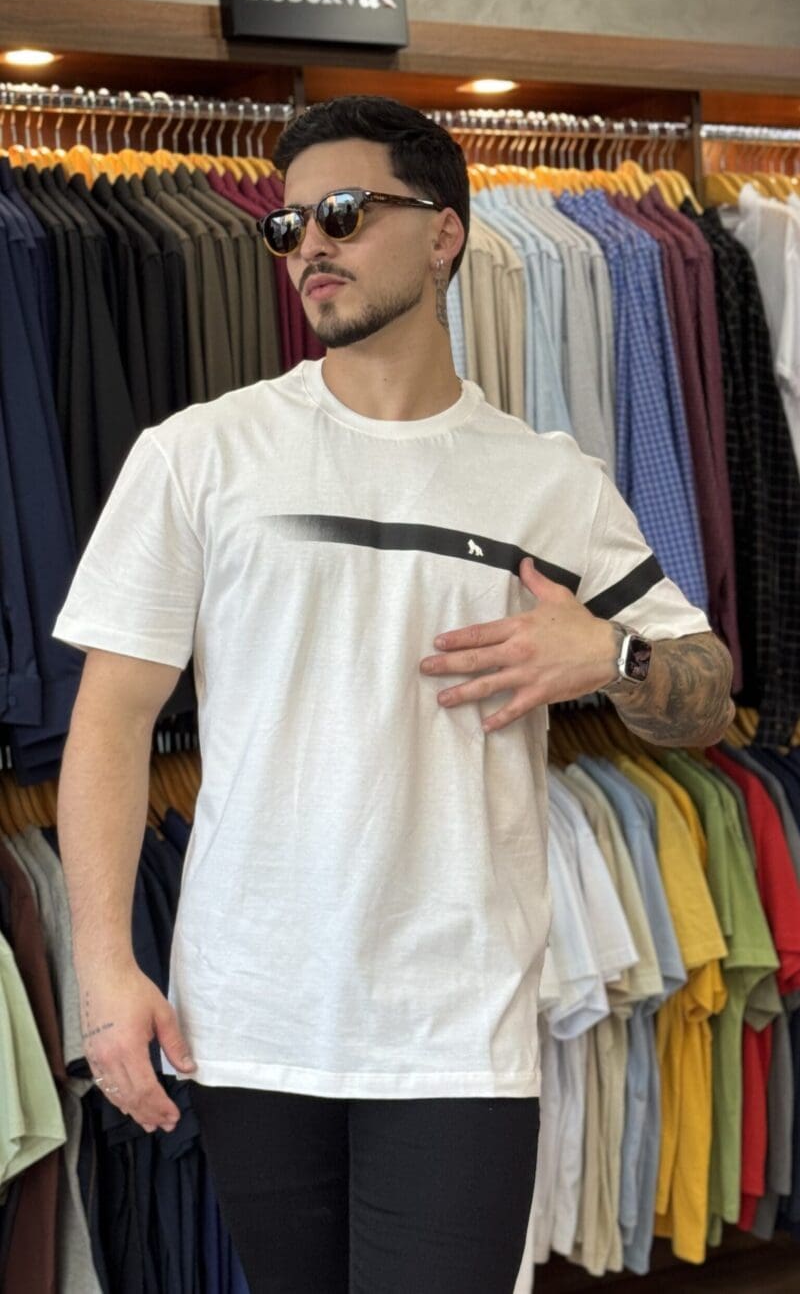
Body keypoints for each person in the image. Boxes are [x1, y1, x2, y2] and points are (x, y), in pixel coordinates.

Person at [53, 95, 735, 1294]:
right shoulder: (199, 455)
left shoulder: (546, 481)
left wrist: (611, 657)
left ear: (443, 234)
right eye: (287, 227)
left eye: (343, 212)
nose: (308, 245)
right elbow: (109, 720)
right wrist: (104, 970)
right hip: (253, 1009)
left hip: (454, 1021)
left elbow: (706, 696)